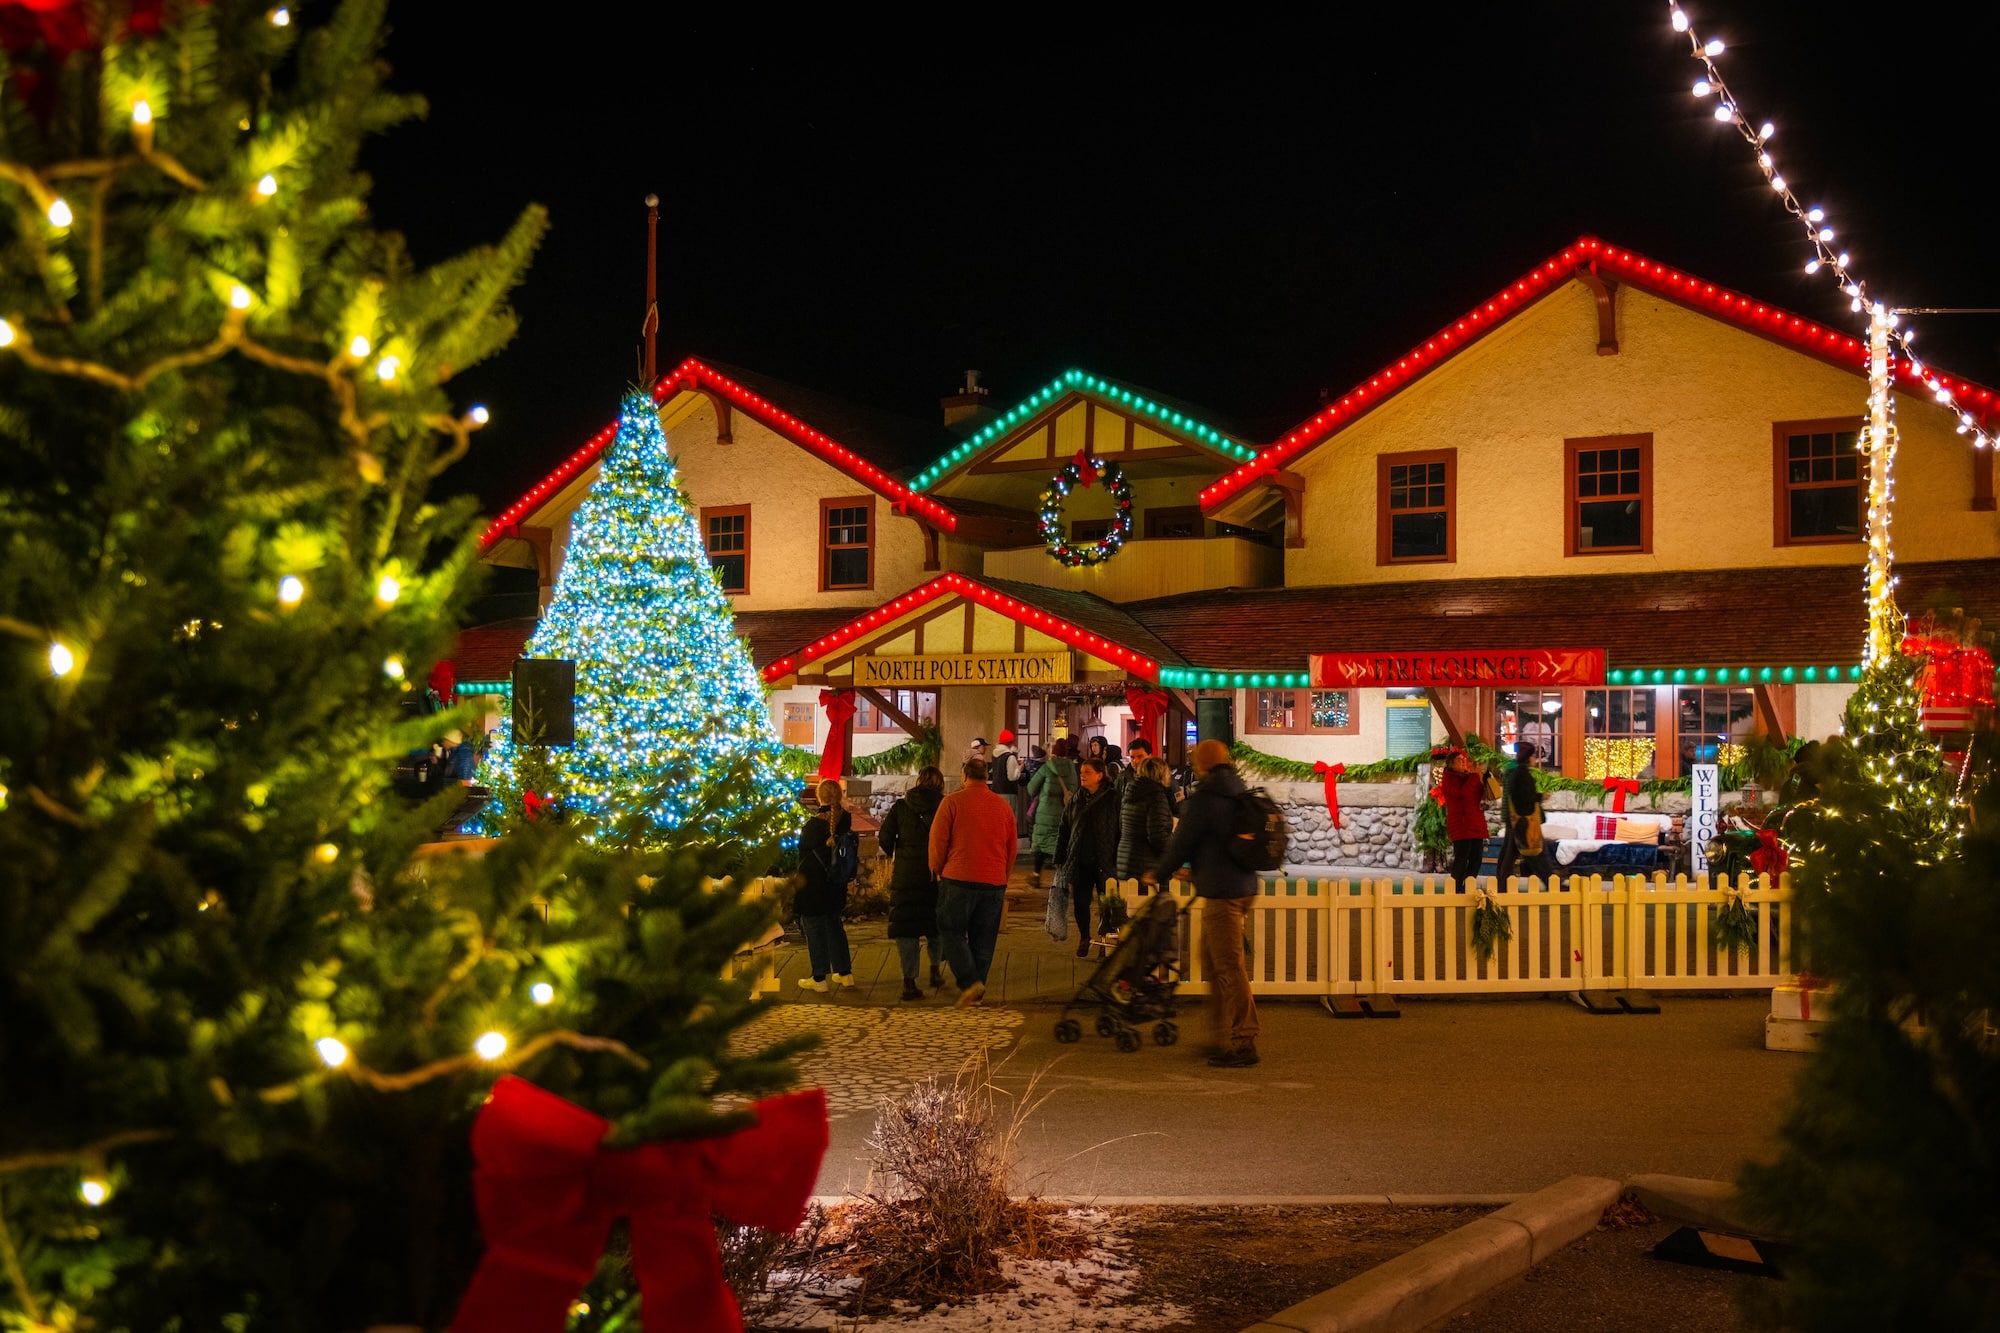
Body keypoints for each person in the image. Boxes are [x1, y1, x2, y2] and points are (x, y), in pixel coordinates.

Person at [1144, 738, 1260, 1068]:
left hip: (1223, 895)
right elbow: (1219, 843)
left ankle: (1245, 1040)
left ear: (1201, 764)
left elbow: (1182, 842)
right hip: (1243, 886)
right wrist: (1197, 874)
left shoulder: (1206, 797)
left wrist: (1159, 872)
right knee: (1212, 961)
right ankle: (1220, 1036)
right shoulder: (1237, 790)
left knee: (1228, 967)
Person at [929, 756, 1019, 1006]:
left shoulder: (952, 802)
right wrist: (1004, 875)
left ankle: (969, 982)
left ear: (964, 777)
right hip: (994, 881)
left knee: (950, 930)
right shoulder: (1002, 807)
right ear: (987, 777)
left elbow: (938, 843)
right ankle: (978, 992)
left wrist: (937, 869)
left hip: (958, 878)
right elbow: (1011, 847)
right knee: (984, 938)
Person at [878, 766, 947, 1000]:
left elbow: (885, 838)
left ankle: (909, 981)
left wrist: (898, 853)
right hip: (935, 874)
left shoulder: (901, 807)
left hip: (906, 876)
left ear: (918, 782)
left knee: (907, 929)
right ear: (940, 785)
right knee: (935, 926)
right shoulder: (945, 807)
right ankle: (935, 971)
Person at [1055, 756, 1122, 957]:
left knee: (1108, 903)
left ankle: (1106, 943)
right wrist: (1060, 856)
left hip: (1105, 859)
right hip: (1080, 859)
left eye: (1087, 773)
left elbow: (1121, 829)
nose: (1082, 776)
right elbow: (1064, 827)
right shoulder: (1077, 798)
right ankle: (1085, 936)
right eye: (1081, 772)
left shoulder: (1113, 799)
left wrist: (1118, 856)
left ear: (1100, 775)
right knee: (1081, 902)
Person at [794, 778, 854, 993]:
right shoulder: (845, 821)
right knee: (834, 925)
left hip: (813, 886)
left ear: (820, 797)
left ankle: (819, 977)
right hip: (835, 883)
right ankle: (845, 973)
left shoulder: (812, 827)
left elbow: (802, 855)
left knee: (815, 928)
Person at [1495, 741, 1554, 886]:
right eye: (1533, 756)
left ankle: (1502, 883)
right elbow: (1524, 797)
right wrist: (1540, 797)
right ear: (1528, 757)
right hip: (1523, 821)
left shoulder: (1514, 772)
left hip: (1516, 820)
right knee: (1536, 854)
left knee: (1510, 853)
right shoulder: (1521, 775)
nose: (1535, 759)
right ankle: (1551, 882)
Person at [1025, 736, 1077, 888]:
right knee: (1060, 844)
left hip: (1045, 813)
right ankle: (1062, 878)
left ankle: (1036, 875)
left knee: (1041, 845)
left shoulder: (1047, 767)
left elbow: (1031, 789)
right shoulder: (1072, 769)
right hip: (1064, 813)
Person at [1117, 754, 1175, 887]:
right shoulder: (1156, 796)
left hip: (1125, 859)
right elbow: (1157, 835)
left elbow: (1121, 825)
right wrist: (1171, 857)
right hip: (1146, 863)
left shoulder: (1130, 792)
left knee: (1131, 905)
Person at [1437, 748, 1491, 888]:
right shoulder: (1449, 778)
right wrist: (1474, 776)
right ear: (1451, 764)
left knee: (1476, 858)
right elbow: (1462, 794)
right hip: (1461, 823)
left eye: (1464, 760)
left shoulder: (1469, 777)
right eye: (1460, 760)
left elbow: (1478, 795)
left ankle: (1468, 885)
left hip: (1474, 822)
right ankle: (1455, 887)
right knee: (1462, 858)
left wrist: (1483, 779)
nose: (1463, 763)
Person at [989, 728, 1026, 834]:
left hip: (996, 791)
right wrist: (1020, 768)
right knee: (1009, 821)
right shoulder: (1009, 757)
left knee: (999, 821)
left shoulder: (995, 755)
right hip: (1008, 793)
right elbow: (1012, 777)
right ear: (1010, 742)